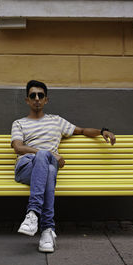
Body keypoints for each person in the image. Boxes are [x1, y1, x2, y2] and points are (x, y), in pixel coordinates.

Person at [11, 80, 116, 253]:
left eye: (40, 95)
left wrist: (102, 130)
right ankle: (45, 226)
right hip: (26, 168)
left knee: (50, 170)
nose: (37, 98)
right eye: (32, 95)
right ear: (27, 100)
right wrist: (48, 154)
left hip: (47, 169)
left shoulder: (56, 121)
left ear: (46, 100)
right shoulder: (19, 123)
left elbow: (81, 131)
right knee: (46, 160)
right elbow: (18, 147)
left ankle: (39, 223)